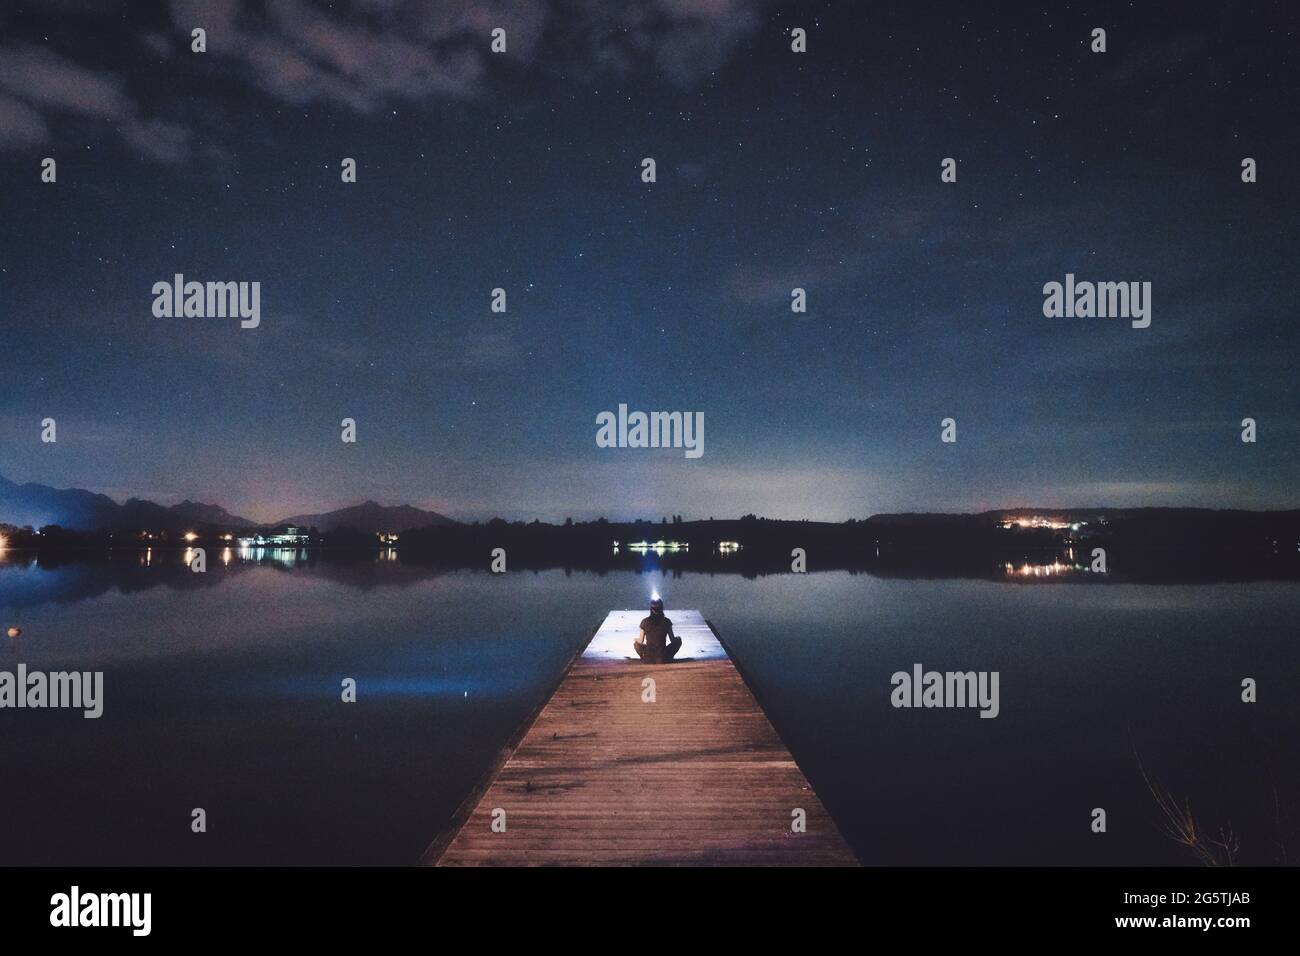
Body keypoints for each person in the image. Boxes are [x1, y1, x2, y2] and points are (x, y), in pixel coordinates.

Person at [634, 597, 681, 663]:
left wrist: (635, 639)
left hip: (649, 657)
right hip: (663, 656)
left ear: (651, 609)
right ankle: (668, 658)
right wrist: (678, 638)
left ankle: (645, 657)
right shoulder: (667, 621)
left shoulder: (644, 621)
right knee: (678, 641)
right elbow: (672, 640)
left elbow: (640, 640)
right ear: (661, 608)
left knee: (636, 644)